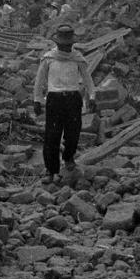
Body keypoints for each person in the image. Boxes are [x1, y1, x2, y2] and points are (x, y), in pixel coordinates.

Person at [33, 24, 96, 184]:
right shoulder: (48, 58)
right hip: (54, 99)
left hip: (73, 98)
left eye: (68, 44)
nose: (65, 47)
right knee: (52, 136)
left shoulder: (78, 58)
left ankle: (68, 158)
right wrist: (37, 100)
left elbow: (87, 79)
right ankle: (51, 170)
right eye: (63, 44)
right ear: (57, 43)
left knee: (73, 133)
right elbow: (39, 81)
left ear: (72, 43)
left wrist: (92, 96)